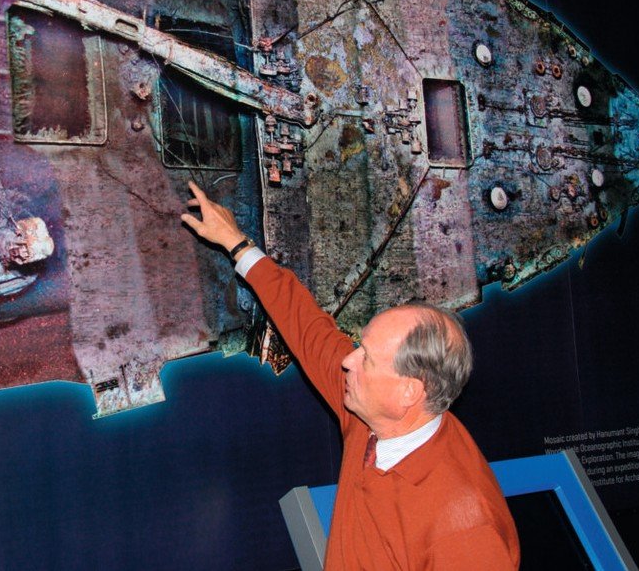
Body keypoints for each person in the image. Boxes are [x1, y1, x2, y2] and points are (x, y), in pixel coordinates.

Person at [181, 181, 520, 570]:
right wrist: (237, 244)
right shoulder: (372, 418)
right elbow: (309, 328)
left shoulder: (465, 528)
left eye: (367, 358)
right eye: (360, 346)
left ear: (409, 391)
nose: (347, 361)